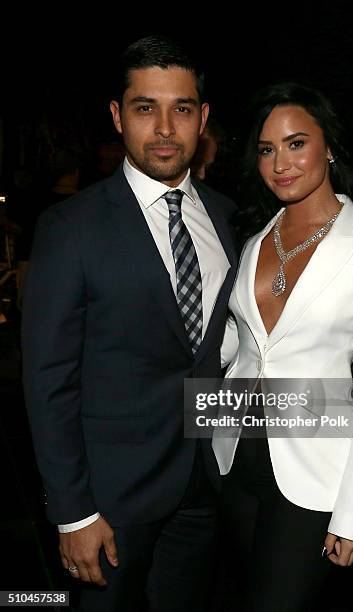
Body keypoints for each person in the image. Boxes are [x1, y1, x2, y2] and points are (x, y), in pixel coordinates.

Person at [22, 34, 237, 612]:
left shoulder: (227, 217)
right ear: (118, 117)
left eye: (182, 109)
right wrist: (73, 510)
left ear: (203, 118)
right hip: (109, 499)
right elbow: (48, 382)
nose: (165, 127)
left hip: (206, 484)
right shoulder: (71, 227)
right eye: (146, 108)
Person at [212, 82, 353, 611]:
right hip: (232, 454)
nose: (280, 163)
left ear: (329, 147)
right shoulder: (255, 238)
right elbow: (239, 348)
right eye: (266, 149)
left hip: (317, 467)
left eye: (296, 143)